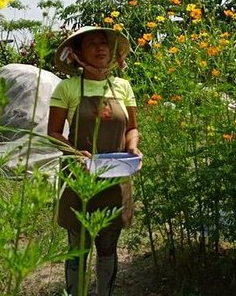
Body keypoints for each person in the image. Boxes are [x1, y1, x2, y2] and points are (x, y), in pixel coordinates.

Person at [47, 26, 142, 296]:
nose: (100, 48)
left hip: (115, 178)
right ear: (77, 53)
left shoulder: (123, 86)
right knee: (78, 246)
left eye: (104, 43)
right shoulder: (66, 88)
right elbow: (53, 133)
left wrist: (133, 148)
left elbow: (132, 128)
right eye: (92, 44)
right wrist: (76, 154)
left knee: (108, 246)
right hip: (80, 180)